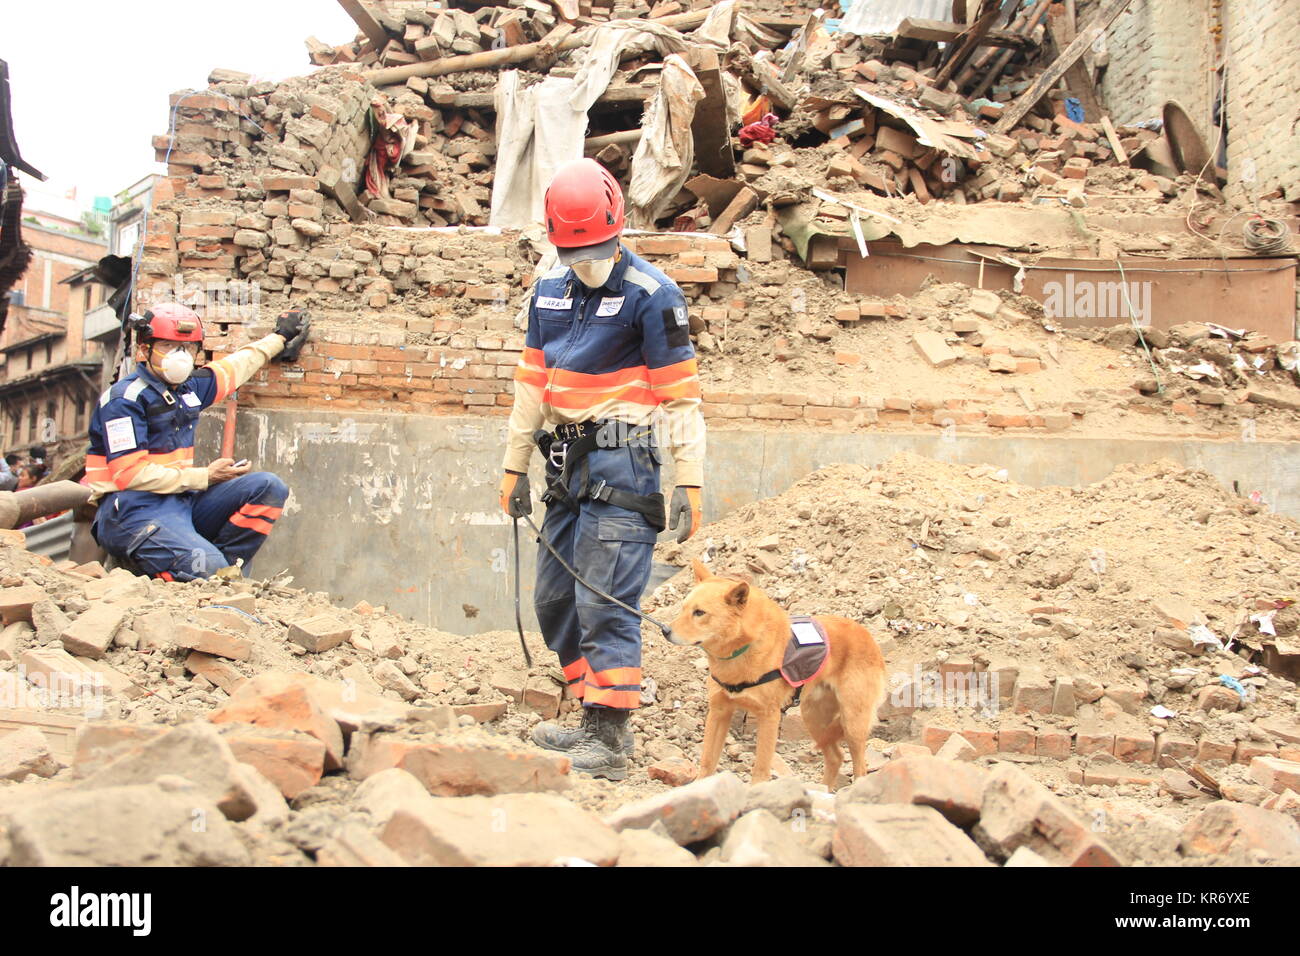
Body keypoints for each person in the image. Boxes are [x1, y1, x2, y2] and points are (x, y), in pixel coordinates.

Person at [498, 158, 706, 780]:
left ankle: (609, 737)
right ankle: (592, 710)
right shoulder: (548, 290)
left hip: (625, 461)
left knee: (605, 597)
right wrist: (514, 467)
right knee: (556, 597)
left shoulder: (653, 295)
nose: (584, 257)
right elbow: (531, 384)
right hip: (565, 461)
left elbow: (682, 398)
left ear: (618, 228)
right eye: (572, 248)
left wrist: (689, 478)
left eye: (595, 246)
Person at [85, 303, 310, 581]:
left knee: (267, 487)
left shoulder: (187, 389)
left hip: (179, 503)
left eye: (188, 348)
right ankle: (191, 574)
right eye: (168, 345)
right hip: (132, 512)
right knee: (212, 571)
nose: (180, 356)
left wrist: (280, 337)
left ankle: (223, 571)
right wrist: (206, 476)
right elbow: (129, 475)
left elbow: (236, 366)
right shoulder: (125, 399)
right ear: (145, 349)